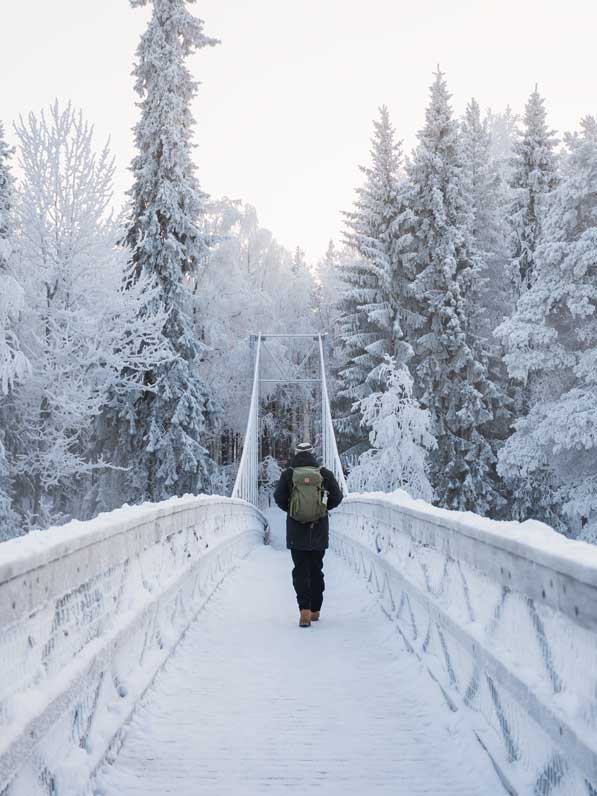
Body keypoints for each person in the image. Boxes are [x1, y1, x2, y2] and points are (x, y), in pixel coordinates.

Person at [274, 442, 343, 627]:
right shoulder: (324, 474)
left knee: (300, 570)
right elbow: (337, 497)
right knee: (316, 569)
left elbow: (278, 498)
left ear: (296, 453)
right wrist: (322, 508)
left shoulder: (288, 474)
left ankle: (303, 611)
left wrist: (293, 510)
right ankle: (315, 611)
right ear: (313, 454)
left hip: (296, 531)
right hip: (319, 530)